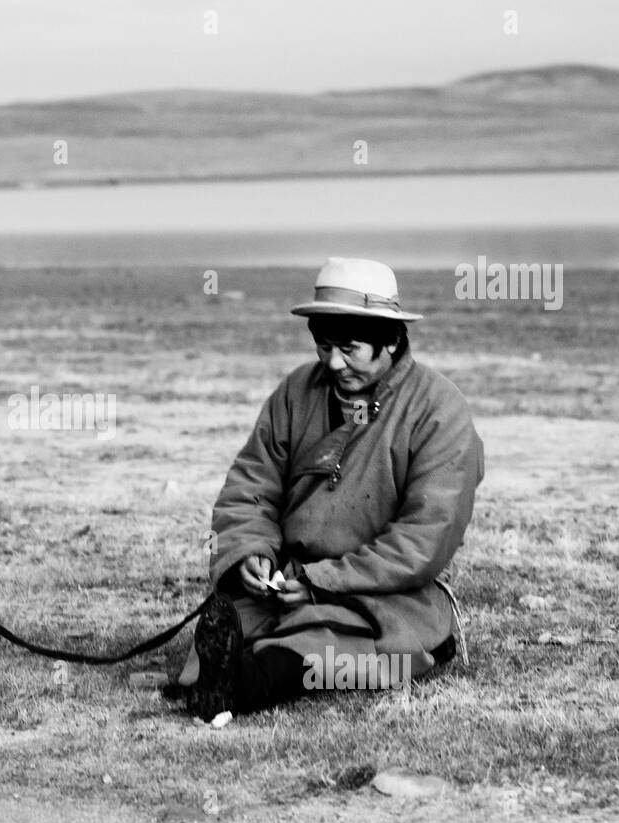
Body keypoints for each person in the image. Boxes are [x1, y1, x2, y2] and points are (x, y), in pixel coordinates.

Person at [180, 258, 485, 721]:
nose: (334, 362)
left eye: (349, 348)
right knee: (235, 631)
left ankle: (243, 685)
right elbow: (251, 487)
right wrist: (250, 553)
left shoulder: (439, 411)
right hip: (284, 586)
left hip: (385, 594)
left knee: (328, 645)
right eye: (324, 347)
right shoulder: (296, 392)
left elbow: (426, 537)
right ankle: (230, 674)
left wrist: (322, 583)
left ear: (391, 341)